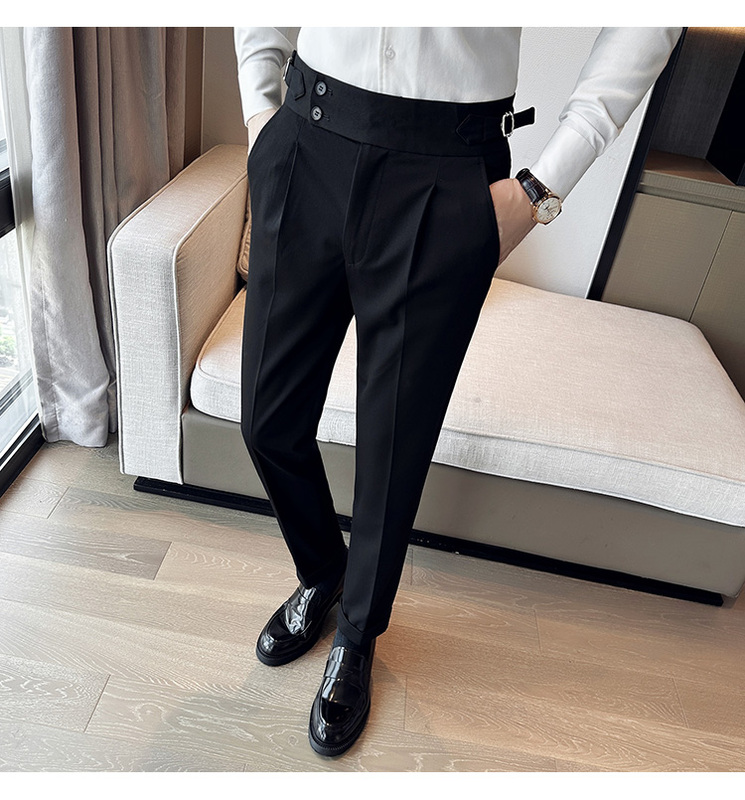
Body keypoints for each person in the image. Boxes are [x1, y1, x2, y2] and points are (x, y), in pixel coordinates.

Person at [233, 26, 683, 757]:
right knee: (265, 420)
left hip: (443, 168)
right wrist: (260, 112)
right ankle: (322, 572)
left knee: (394, 444)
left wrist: (541, 187)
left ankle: (356, 635)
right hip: (304, 133)